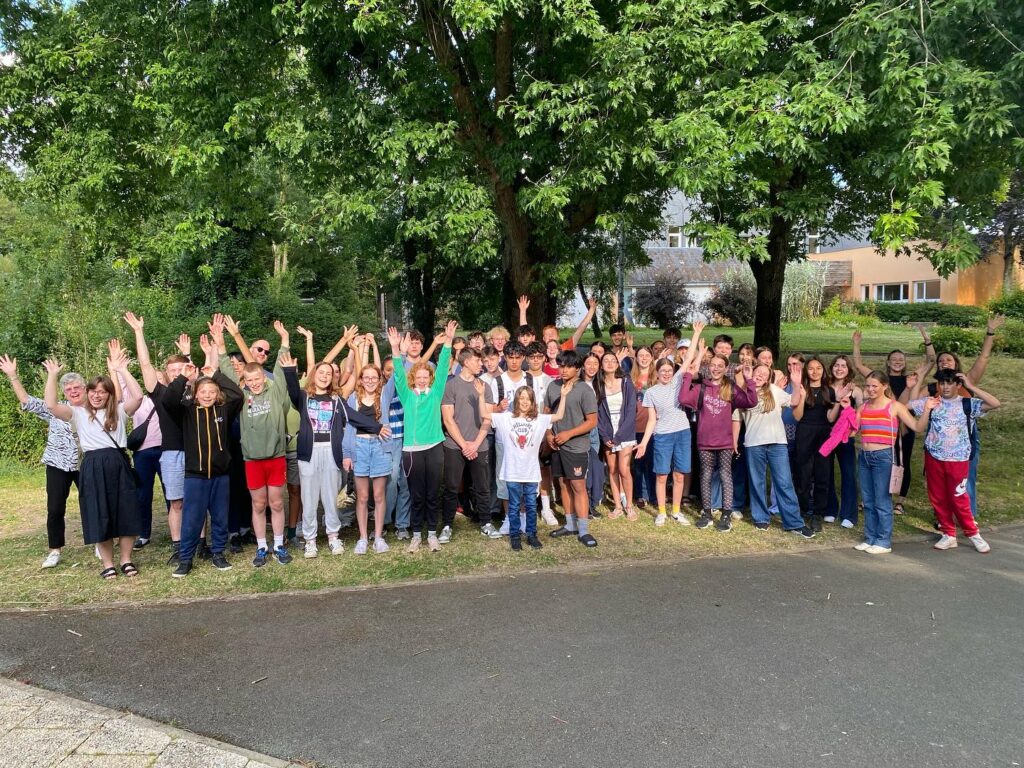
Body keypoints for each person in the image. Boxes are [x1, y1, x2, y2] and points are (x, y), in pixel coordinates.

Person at [43, 341, 144, 580]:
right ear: (88, 393)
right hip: (92, 465)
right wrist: (53, 376)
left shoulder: (119, 411)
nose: (97, 395)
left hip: (118, 463)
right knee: (99, 512)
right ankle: (108, 564)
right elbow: (51, 405)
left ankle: (126, 559)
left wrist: (122, 370)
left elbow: (138, 396)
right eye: (93, 391)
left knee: (126, 511)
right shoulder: (77, 413)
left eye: (102, 392)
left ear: (109, 394)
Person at [287, 349, 388, 557]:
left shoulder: (336, 399)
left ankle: (333, 536)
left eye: (328, 373)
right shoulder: (304, 397)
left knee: (330, 497)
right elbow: (292, 391)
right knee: (309, 498)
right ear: (314, 375)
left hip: (331, 453)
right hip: (309, 454)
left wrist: (376, 427)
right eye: (321, 373)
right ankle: (310, 540)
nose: (325, 376)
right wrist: (289, 371)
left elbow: (353, 416)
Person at [162, 335, 244, 576]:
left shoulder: (224, 410)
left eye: (212, 392)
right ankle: (186, 559)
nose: (207, 395)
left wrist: (216, 374)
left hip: (220, 475)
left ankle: (218, 553)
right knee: (192, 519)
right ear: (196, 394)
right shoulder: (186, 412)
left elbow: (238, 394)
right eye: (203, 392)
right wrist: (184, 377)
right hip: (195, 476)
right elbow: (168, 400)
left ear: (217, 394)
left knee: (219, 517)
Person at [215, 318, 293, 567]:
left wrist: (284, 340)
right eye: (250, 380)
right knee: (258, 504)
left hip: (276, 457)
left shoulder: (275, 391)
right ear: (245, 381)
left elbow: (280, 367)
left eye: (258, 378)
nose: (255, 383)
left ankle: (278, 545)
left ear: (263, 376)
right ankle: (261, 547)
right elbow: (227, 370)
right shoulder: (240, 397)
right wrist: (220, 342)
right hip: (252, 460)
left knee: (276, 503)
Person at [1, 355, 84, 569]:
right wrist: (13, 376)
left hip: (86, 464)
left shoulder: (93, 408)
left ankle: (99, 543)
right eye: (69, 389)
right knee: (55, 508)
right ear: (63, 392)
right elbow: (27, 401)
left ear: (85, 389)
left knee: (92, 504)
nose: (73, 391)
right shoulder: (56, 408)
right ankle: (55, 550)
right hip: (57, 463)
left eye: (77, 387)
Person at [909, 369, 1000, 553]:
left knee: (959, 497)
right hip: (934, 456)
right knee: (938, 497)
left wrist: (971, 386)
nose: (945, 387)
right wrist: (917, 387)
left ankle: (973, 533)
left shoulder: (968, 404)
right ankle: (948, 533)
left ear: (958, 385)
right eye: (942, 383)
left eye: (949, 383)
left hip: (958, 458)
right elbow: (908, 405)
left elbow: (995, 403)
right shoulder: (932, 402)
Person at [123, 312, 189, 562]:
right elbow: (145, 365)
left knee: (196, 501)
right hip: (172, 453)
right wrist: (139, 332)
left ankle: (200, 543)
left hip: (197, 452)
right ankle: (177, 545)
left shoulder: (198, 390)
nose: (176, 373)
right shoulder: (160, 393)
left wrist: (189, 355)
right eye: (172, 370)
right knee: (176, 502)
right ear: (167, 373)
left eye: (180, 369)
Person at [678, 323, 758, 531]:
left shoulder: (730, 388)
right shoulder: (701, 388)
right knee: (705, 475)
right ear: (709, 367)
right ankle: (706, 512)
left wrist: (749, 380)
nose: (715, 368)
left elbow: (751, 401)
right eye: (713, 365)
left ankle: (726, 514)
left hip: (724, 441)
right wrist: (689, 375)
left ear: (725, 368)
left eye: (720, 366)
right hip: (705, 440)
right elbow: (683, 398)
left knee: (725, 475)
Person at [386, 321, 456, 553]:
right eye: (419, 376)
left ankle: (432, 534)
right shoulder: (407, 395)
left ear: (431, 379)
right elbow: (398, 373)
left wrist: (448, 341)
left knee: (432, 494)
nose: (423, 380)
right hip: (412, 451)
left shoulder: (435, 393)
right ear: (414, 378)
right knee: (416, 496)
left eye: (426, 377)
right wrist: (396, 349)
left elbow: (443, 366)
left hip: (434, 448)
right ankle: (416, 535)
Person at [853, 325, 934, 514]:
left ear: (904, 363)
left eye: (901, 359)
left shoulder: (911, 378)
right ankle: (872, 498)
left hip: (904, 426)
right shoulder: (880, 380)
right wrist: (856, 344)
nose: (897, 362)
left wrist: (926, 339)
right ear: (888, 363)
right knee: (881, 462)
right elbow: (858, 365)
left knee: (903, 460)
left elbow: (931, 361)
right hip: (882, 426)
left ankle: (900, 501)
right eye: (894, 359)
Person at [851, 371, 931, 555]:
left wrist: (927, 410)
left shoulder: (894, 407)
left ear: (884, 386)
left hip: (884, 457)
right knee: (868, 500)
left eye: (874, 386)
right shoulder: (863, 407)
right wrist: (847, 409)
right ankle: (870, 538)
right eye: (868, 386)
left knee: (882, 500)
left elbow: (917, 427)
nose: (870, 389)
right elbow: (852, 431)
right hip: (864, 456)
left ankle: (883, 541)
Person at [732, 362, 813, 537]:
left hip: (777, 443)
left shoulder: (774, 391)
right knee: (757, 482)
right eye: (758, 371)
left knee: (784, 482)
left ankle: (794, 523)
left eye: (765, 373)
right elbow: (736, 419)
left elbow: (794, 401)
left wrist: (796, 384)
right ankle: (761, 518)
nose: (761, 374)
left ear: (768, 379)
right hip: (754, 444)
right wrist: (734, 441)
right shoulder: (743, 393)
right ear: (752, 373)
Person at [491, 385, 571, 550]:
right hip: (512, 471)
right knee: (513, 505)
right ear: (517, 400)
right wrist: (480, 396)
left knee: (531, 505)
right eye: (521, 398)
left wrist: (563, 396)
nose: (525, 402)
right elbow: (485, 414)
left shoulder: (538, 419)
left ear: (533, 401)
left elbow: (559, 416)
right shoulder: (507, 418)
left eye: (528, 398)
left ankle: (532, 535)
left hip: (531, 472)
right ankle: (515, 536)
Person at [441, 347, 497, 542]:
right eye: (477, 360)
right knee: (451, 487)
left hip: (479, 445)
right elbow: (448, 420)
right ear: (466, 362)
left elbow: (488, 419)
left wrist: (475, 444)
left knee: (482, 487)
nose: (481, 364)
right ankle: (447, 525)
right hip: (454, 445)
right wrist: (464, 445)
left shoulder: (485, 387)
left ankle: (486, 523)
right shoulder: (450, 386)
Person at [546, 350, 600, 547]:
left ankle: (584, 530)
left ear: (577, 368)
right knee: (563, 484)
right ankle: (570, 525)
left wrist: (568, 434)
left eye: (568, 366)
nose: (564, 370)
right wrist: (549, 435)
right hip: (557, 447)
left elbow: (592, 421)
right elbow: (546, 415)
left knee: (578, 486)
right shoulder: (553, 386)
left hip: (576, 447)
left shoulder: (584, 390)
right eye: (561, 366)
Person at [792, 356, 851, 532]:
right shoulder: (801, 388)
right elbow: (797, 416)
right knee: (803, 475)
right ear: (806, 371)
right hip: (805, 433)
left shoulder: (829, 391)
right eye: (811, 368)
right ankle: (802, 510)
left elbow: (831, 418)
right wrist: (802, 396)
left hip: (823, 435)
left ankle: (818, 513)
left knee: (822, 475)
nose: (815, 371)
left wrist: (837, 401)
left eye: (818, 368)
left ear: (823, 371)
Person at [635, 358, 692, 527]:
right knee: (661, 475)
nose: (666, 374)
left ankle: (676, 511)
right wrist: (644, 443)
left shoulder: (677, 382)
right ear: (657, 373)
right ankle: (661, 512)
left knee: (679, 474)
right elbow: (652, 420)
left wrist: (697, 340)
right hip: (662, 436)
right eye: (663, 371)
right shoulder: (651, 392)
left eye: (669, 370)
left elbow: (688, 359)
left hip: (683, 433)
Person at [595, 352, 638, 520]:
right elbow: (597, 413)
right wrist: (605, 436)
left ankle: (629, 505)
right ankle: (618, 506)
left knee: (624, 469)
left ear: (618, 364)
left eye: (613, 360)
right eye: (606, 361)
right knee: (612, 469)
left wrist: (620, 435)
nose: (610, 363)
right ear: (601, 365)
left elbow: (631, 410)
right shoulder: (598, 384)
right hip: (607, 431)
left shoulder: (626, 382)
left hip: (625, 430)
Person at [824, 354, 863, 528]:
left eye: (843, 366)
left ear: (849, 369)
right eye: (837, 365)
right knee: (827, 473)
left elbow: (860, 413)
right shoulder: (826, 387)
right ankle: (830, 509)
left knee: (849, 474)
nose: (839, 369)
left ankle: (849, 514)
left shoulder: (855, 390)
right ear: (832, 367)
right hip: (826, 435)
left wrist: (855, 429)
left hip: (846, 438)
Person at [630, 346, 656, 510]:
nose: (644, 358)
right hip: (636, 426)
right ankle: (640, 494)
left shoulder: (657, 377)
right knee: (639, 463)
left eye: (647, 355)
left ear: (652, 357)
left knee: (652, 462)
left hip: (654, 427)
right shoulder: (630, 378)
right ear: (636, 358)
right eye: (641, 355)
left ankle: (653, 494)